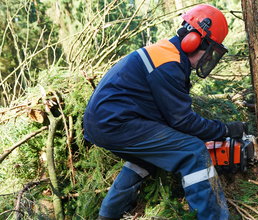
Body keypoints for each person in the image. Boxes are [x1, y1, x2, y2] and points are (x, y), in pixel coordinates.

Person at [83, 4, 245, 220]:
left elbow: (171, 118)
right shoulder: (167, 63)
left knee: (146, 159)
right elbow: (183, 121)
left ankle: (108, 215)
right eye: (210, 51)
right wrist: (225, 129)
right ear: (195, 41)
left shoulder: (167, 55)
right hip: (116, 124)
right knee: (193, 151)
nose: (209, 58)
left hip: (106, 123)